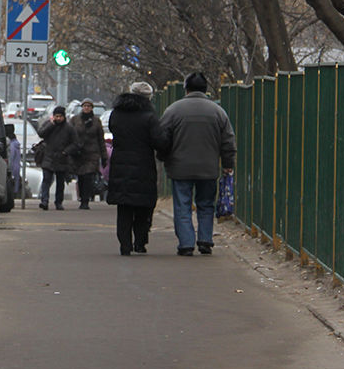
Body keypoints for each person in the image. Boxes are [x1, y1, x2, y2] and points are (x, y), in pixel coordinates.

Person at [160, 72, 237, 256]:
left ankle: (186, 244)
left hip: (180, 168)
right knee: (205, 204)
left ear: (186, 88)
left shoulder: (173, 110)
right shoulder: (218, 112)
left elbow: (162, 138)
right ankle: (205, 240)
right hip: (208, 168)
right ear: (206, 89)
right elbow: (228, 141)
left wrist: (164, 157)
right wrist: (228, 164)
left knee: (182, 205)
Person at [107, 81, 169, 255]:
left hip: (120, 164)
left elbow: (114, 131)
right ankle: (140, 242)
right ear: (148, 97)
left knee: (124, 207)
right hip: (144, 165)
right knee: (143, 205)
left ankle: (124, 245)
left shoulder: (116, 114)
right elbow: (160, 141)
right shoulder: (149, 116)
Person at [34, 105, 79, 210]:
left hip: (61, 158)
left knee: (60, 182)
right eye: (56, 116)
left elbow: (75, 143)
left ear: (64, 117)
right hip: (48, 157)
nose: (58, 118)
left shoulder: (69, 128)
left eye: (60, 116)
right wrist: (51, 124)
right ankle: (44, 201)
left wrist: (65, 152)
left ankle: (58, 202)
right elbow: (41, 133)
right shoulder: (49, 125)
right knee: (46, 180)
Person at [68, 97, 107, 209]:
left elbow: (101, 140)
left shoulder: (96, 121)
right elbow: (70, 135)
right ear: (82, 107)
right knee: (81, 177)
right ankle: (82, 198)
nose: (86, 108)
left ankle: (86, 200)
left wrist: (104, 156)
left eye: (89, 106)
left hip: (92, 153)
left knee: (88, 176)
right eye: (85, 106)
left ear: (92, 108)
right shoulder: (75, 120)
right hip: (79, 153)